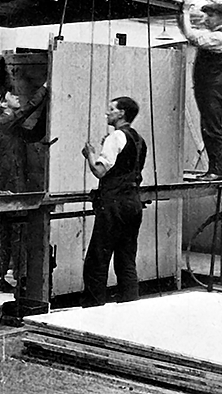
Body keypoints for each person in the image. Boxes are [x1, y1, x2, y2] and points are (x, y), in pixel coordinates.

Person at [80, 96, 147, 307]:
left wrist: (90, 154)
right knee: (126, 260)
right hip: (133, 203)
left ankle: (92, 311)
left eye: (111, 109)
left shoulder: (115, 137)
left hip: (113, 205)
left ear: (121, 114)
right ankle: (129, 308)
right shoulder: (139, 140)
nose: (107, 113)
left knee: (96, 262)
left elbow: (100, 171)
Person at [0, 81, 49, 294]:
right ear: (1, 103)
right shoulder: (5, 122)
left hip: (7, 186)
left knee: (5, 230)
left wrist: (48, 108)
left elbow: (34, 134)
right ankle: (20, 279)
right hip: (12, 186)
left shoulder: (8, 125)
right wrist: (45, 88)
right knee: (16, 231)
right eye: (11, 95)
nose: (17, 96)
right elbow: (27, 109)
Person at [177, 2, 222, 181]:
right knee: (208, 128)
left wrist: (185, 13)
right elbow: (188, 33)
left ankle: (217, 170)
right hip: (207, 88)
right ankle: (214, 169)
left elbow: (192, 37)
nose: (206, 19)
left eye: (211, 16)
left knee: (212, 128)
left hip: (213, 89)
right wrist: (181, 15)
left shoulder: (220, 38)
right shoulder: (210, 35)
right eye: (205, 15)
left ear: (221, 18)